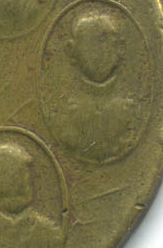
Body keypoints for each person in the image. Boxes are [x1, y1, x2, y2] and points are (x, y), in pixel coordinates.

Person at [52, 10, 137, 162]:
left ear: (121, 49)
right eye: (90, 44)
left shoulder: (132, 112)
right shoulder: (63, 116)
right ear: (71, 51)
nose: (99, 53)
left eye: (106, 42)